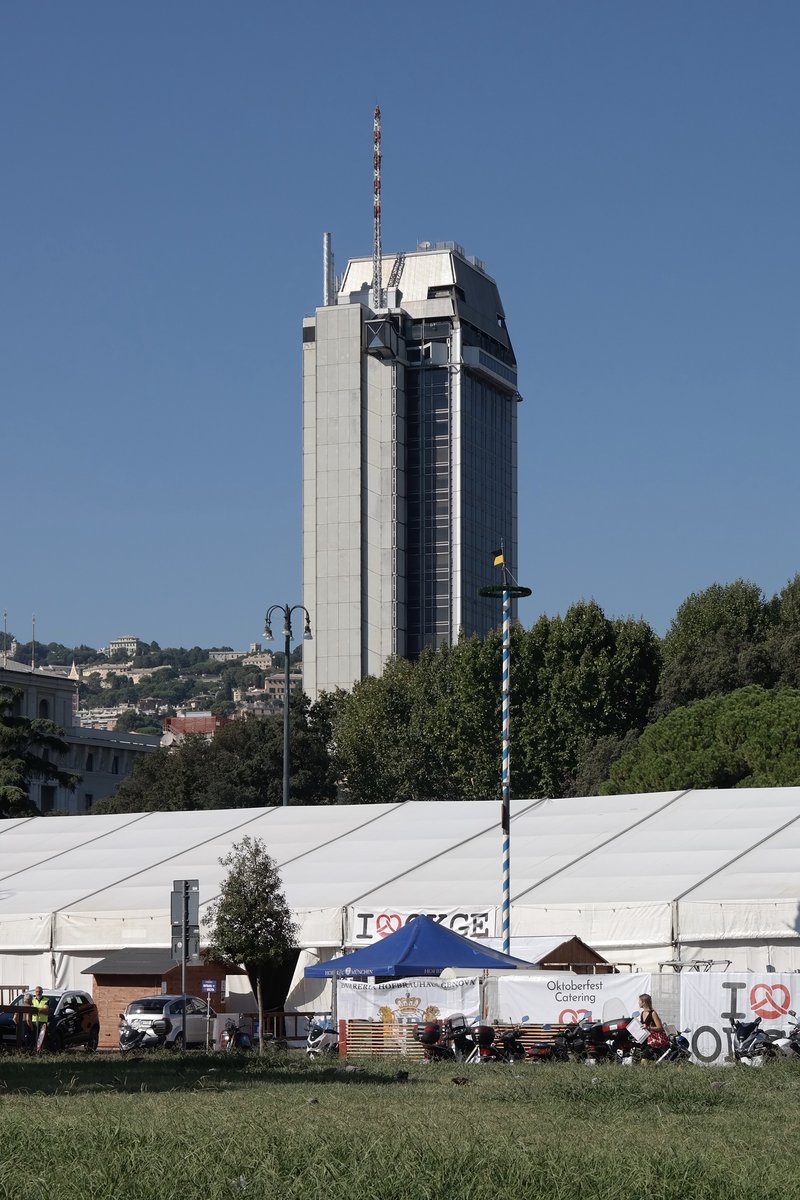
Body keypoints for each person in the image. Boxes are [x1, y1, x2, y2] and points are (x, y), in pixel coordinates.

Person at [639, 992, 669, 1059]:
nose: (638, 1003)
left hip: (655, 1040)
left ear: (644, 1002)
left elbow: (660, 1028)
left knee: (644, 1058)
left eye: (640, 1001)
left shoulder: (653, 1013)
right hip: (646, 1039)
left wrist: (648, 1027)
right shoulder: (642, 1013)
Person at [31, 986, 49, 1052]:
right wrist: (41, 1009)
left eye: (39, 991)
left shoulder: (46, 1000)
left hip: (43, 1021)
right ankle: (35, 1050)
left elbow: (46, 1010)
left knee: (42, 1037)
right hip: (34, 1021)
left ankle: (42, 1051)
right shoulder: (32, 1000)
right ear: (35, 992)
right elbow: (30, 1010)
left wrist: (36, 1009)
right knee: (34, 1037)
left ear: (42, 992)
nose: (38, 993)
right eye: (37, 991)